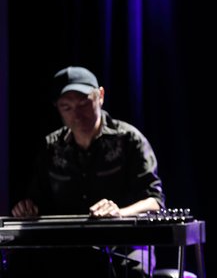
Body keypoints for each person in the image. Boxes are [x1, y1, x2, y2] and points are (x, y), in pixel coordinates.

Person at [7, 66, 166, 278]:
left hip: (125, 243)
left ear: (100, 96)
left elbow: (155, 201)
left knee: (133, 271)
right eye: (67, 107)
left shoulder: (129, 140)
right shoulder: (50, 147)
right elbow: (38, 200)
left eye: (84, 103)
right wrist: (26, 208)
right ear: (58, 108)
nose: (77, 114)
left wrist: (119, 213)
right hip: (68, 246)